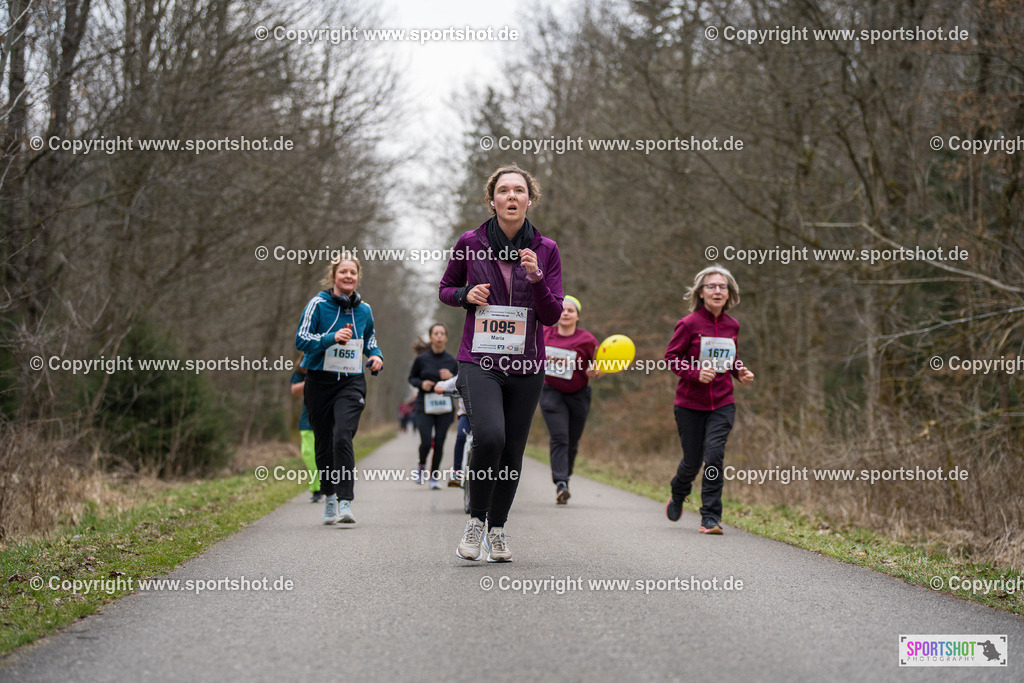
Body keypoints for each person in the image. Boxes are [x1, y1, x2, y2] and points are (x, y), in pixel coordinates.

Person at [439, 164, 563, 562]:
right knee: (489, 437)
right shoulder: (470, 242)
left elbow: (552, 316)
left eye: (519, 191)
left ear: (530, 199)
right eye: (504, 191)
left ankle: (497, 529)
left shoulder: (546, 250)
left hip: (527, 366)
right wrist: (465, 295)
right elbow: (445, 288)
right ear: (492, 200)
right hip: (479, 360)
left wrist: (538, 278)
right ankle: (475, 520)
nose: (512, 197)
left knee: (511, 450)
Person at [664, 265, 754, 534]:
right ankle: (678, 493)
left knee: (714, 456)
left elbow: (729, 359)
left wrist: (741, 372)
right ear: (701, 293)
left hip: (723, 403)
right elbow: (671, 358)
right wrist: (694, 373)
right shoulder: (689, 324)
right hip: (689, 404)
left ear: (730, 293)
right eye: (711, 286)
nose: (717, 290)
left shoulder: (732, 325)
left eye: (722, 286)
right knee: (692, 461)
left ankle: (710, 517)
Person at [296, 255, 384, 525]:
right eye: (343, 271)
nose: (348, 276)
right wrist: (330, 337)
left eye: (353, 272)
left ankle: (346, 502)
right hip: (319, 381)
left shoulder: (364, 309)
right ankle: (330, 498)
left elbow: (370, 339)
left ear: (358, 276)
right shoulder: (318, 304)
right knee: (323, 444)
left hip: (351, 380)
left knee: (342, 436)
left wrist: (376, 356)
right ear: (333, 275)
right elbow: (301, 339)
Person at [539, 295, 600, 505]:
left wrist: (597, 371)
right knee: (560, 437)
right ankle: (561, 483)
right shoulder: (544, 333)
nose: (565, 313)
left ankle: (565, 477)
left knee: (572, 443)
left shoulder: (588, 340)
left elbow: (599, 365)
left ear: (577, 316)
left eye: (570, 311)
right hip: (550, 391)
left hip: (579, 394)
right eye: (562, 310)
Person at [407, 323, 459, 489]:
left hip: (445, 406)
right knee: (426, 441)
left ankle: (434, 476)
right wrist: (422, 384)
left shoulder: (451, 361)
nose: (439, 336)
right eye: (436, 333)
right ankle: (421, 464)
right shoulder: (422, 359)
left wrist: (451, 376)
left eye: (442, 333)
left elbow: (460, 382)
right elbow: (411, 378)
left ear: (446, 338)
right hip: (424, 405)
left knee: (440, 441)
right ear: (431, 337)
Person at [289, 360, 321, 502]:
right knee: (308, 454)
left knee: (329, 452)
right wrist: (312, 381)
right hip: (307, 419)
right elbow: (295, 390)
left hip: (329, 417)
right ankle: (316, 490)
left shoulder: (331, 359)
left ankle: (333, 485)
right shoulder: (303, 365)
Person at [433, 373, 468, 487]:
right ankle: (456, 472)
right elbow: (445, 384)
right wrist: (439, 387)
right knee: (461, 436)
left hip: (486, 415)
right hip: (466, 415)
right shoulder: (464, 375)